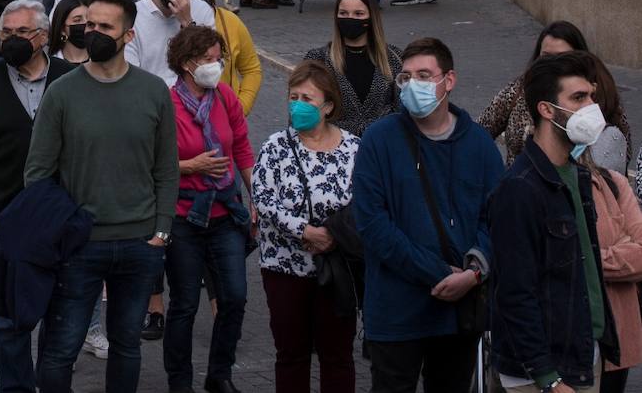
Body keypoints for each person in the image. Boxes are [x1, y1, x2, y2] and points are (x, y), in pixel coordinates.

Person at [24, 0, 179, 393]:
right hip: (80, 245)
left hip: (140, 244)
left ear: (128, 35)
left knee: (127, 345)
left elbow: (165, 167)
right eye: (88, 24)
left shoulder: (152, 91)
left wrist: (161, 230)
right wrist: (63, 230)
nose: (92, 32)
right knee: (61, 348)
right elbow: (38, 173)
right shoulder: (62, 93)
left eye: (104, 27)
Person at [353, 36, 504, 393]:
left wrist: (473, 273)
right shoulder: (378, 140)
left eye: (424, 75)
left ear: (448, 81)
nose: (412, 85)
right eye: (405, 77)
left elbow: (497, 219)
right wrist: (437, 273)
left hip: (457, 317)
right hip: (395, 312)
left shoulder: (480, 145)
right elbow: (372, 224)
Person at [0, 0, 75, 393]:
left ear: (43, 36)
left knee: (59, 309)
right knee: (7, 313)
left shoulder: (71, 81)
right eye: (6, 33)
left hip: (60, 218)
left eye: (22, 33)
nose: (12, 40)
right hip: (2, 217)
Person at [489, 50, 619, 393]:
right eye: (578, 98)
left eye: (591, 95)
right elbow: (515, 293)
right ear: (546, 110)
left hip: (582, 357)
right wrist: (549, 379)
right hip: (541, 374)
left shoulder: (576, 176)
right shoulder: (519, 188)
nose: (592, 107)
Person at [252, 60, 361, 393]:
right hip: (283, 267)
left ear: (327, 106)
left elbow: (367, 202)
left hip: (336, 267)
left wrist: (331, 236)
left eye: (307, 99)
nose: (297, 104)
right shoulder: (276, 147)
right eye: (293, 96)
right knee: (291, 354)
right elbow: (262, 197)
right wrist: (304, 230)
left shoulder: (354, 148)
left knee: (338, 355)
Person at [164, 23, 254, 393]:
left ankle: (220, 373)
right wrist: (191, 166)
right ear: (186, 64)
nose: (216, 67)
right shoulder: (165, 105)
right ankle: (179, 380)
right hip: (184, 218)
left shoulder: (226, 97)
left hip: (225, 214)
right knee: (184, 304)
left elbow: (243, 148)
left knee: (234, 296)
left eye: (219, 59)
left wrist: (255, 196)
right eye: (208, 60)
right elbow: (155, 163)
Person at [479, 20, 633, 166]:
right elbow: (479, 132)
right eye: (546, 57)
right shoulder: (520, 89)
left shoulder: (598, 94)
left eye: (562, 57)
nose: (552, 65)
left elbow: (621, 150)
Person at [303, 0, 402, 138]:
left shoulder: (394, 58)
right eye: (343, 13)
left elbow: (403, 111)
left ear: (372, 17)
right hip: (332, 150)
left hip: (382, 148)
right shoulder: (318, 59)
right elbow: (303, 112)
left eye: (358, 14)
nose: (350, 18)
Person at [589, 140, 642, 393]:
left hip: (615, 338)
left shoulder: (614, 184)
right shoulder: (530, 187)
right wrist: (621, 248)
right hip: (559, 342)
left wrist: (590, 259)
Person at [124, 0, 215, 85]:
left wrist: (188, 24)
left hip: (193, 98)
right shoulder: (133, 16)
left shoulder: (202, 10)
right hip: (151, 99)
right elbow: (131, 75)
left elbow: (210, 70)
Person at [189, 0, 262, 115]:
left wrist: (241, 108)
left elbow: (252, 70)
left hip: (226, 117)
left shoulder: (231, 22)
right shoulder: (174, 22)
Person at [49, 0, 88, 66]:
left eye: (89, 18)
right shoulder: (50, 66)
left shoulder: (104, 60)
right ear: (62, 29)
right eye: (77, 20)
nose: (85, 23)